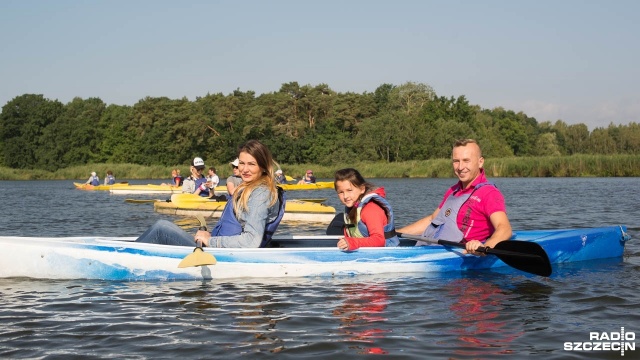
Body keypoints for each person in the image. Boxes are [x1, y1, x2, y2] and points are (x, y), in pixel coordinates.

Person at [136, 139, 286, 248]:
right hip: (219, 251)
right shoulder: (250, 187)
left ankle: (125, 258)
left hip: (225, 258)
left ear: (263, 167)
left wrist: (210, 241)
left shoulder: (260, 194)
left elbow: (251, 241)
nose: (244, 169)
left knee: (162, 229)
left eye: (251, 164)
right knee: (161, 228)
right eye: (241, 163)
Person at [397, 139, 512, 254]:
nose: (460, 167)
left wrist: (484, 248)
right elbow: (432, 219)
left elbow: (504, 228)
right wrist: (395, 233)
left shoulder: (489, 193)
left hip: (462, 255)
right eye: (456, 161)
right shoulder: (453, 190)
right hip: (430, 249)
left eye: (466, 161)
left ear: (480, 162)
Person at [333, 168, 399, 251]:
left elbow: (379, 240)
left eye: (349, 190)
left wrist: (352, 243)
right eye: (341, 192)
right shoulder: (352, 207)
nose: (345, 196)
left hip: (388, 256)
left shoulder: (371, 209)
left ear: (362, 189)